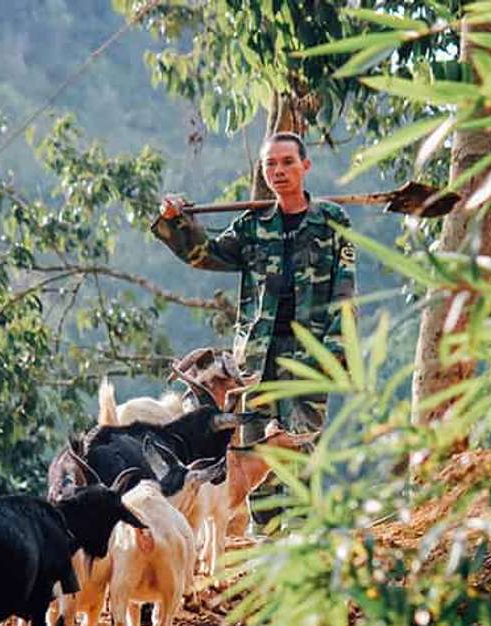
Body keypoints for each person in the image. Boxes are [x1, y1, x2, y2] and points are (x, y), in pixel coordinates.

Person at [151, 131, 356, 437]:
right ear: (262, 170)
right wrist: (175, 219)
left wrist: (333, 353)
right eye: (270, 164)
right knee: (253, 457)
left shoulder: (330, 221)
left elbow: (345, 292)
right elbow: (206, 255)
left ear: (306, 166)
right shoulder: (253, 225)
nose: (279, 171)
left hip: (308, 355)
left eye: (288, 162)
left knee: (299, 451)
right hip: (258, 358)